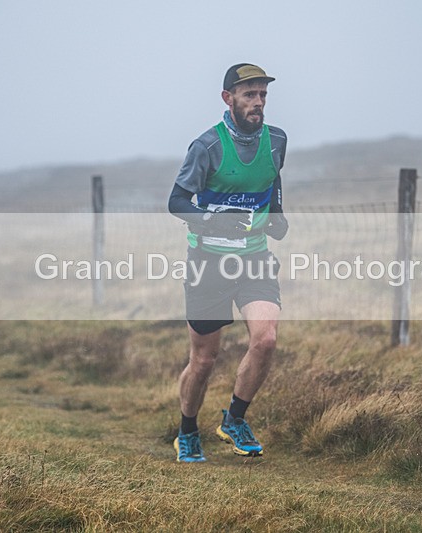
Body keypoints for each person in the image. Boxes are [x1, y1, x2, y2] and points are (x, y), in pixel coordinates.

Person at [167, 63, 289, 463]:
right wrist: (214, 219)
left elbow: (272, 179)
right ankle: (187, 430)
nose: (258, 103)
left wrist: (277, 214)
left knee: (266, 338)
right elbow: (177, 202)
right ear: (228, 99)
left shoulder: (277, 140)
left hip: (254, 259)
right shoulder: (207, 147)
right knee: (203, 360)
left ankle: (234, 418)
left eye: (263, 95)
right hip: (208, 263)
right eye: (249, 95)